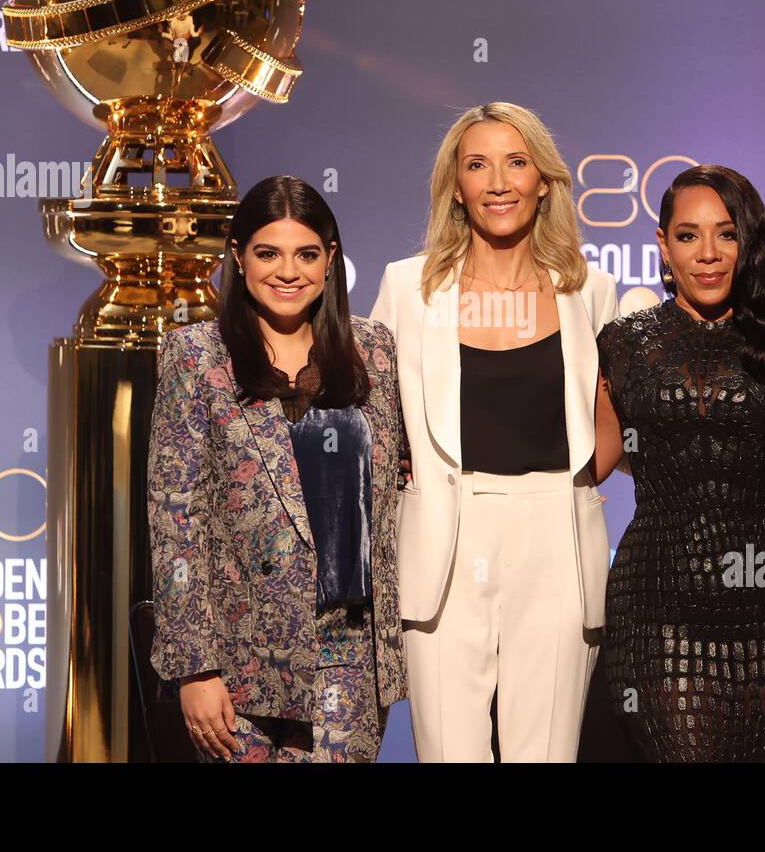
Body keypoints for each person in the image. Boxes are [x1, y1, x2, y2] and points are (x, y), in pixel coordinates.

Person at [370, 102, 619, 761]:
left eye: (517, 162)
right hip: (445, 544)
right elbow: (369, 419)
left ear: (545, 180)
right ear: (457, 185)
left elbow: (614, 425)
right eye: (477, 164)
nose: (499, 182)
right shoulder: (406, 287)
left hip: (557, 540)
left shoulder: (591, 291)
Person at [592, 164, 765, 762]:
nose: (708, 254)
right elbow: (586, 463)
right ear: (663, 246)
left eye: (727, 234)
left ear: (750, 241)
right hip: (662, 614)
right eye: (688, 235)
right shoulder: (623, 345)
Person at [147, 175, 407, 762]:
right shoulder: (196, 355)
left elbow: (392, 488)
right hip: (239, 659)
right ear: (238, 258)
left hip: (351, 650)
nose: (288, 271)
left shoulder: (376, 351)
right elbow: (175, 523)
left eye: (306, 254)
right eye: (268, 253)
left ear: (331, 260)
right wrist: (194, 668)